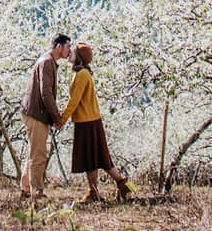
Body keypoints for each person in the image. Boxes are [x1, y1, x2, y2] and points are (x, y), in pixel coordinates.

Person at [58, 42, 135, 203]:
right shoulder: (83, 73)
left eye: (73, 51)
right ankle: (116, 186)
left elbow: (74, 101)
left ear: (79, 57)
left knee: (93, 157)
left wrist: (62, 119)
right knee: (96, 157)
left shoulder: (81, 75)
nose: (69, 52)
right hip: (91, 120)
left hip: (86, 121)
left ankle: (98, 191)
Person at [19, 33, 70, 202]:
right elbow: (46, 93)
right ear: (59, 47)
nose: (69, 50)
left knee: (34, 151)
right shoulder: (47, 62)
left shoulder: (47, 60)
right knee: (39, 154)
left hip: (33, 112)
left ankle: (26, 189)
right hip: (37, 114)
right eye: (67, 46)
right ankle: (37, 192)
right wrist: (56, 117)